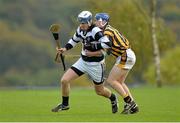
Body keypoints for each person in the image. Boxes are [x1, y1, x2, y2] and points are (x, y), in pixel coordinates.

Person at [51, 11, 118, 113]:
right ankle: (65, 104)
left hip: (96, 65)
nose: (81, 25)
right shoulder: (80, 30)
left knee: (99, 91)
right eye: (81, 23)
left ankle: (113, 98)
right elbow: (74, 40)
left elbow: (107, 44)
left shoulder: (96, 31)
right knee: (64, 80)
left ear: (89, 22)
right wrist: (64, 49)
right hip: (82, 62)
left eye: (84, 23)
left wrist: (93, 47)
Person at [85, 13, 139, 114]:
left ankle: (130, 102)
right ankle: (133, 105)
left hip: (125, 56)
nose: (95, 22)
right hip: (127, 55)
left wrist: (92, 48)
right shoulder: (108, 30)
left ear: (102, 21)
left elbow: (107, 45)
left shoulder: (107, 31)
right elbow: (109, 49)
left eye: (97, 20)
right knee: (119, 82)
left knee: (111, 80)